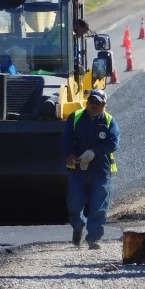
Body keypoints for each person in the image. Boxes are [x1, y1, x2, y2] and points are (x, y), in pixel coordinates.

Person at [62, 89, 119, 250]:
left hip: (100, 171)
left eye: (98, 103)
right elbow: (67, 139)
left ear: (104, 105)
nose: (93, 106)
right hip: (78, 171)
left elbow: (113, 143)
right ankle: (78, 226)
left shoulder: (109, 121)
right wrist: (70, 154)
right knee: (73, 205)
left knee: (98, 206)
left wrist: (95, 152)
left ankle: (93, 238)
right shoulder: (75, 118)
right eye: (91, 102)